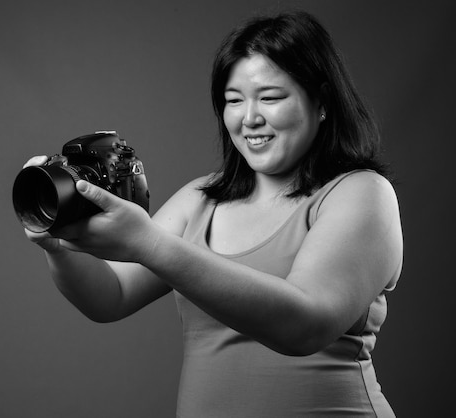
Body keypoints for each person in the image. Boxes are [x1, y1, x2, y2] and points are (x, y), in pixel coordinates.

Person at [22, 10, 403, 417]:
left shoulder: (361, 193)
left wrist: (149, 243)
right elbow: (110, 297)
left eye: (270, 97)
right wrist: (57, 242)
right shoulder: (200, 199)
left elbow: (305, 325)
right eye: (233, 100)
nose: (250, 118)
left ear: (322, 102)